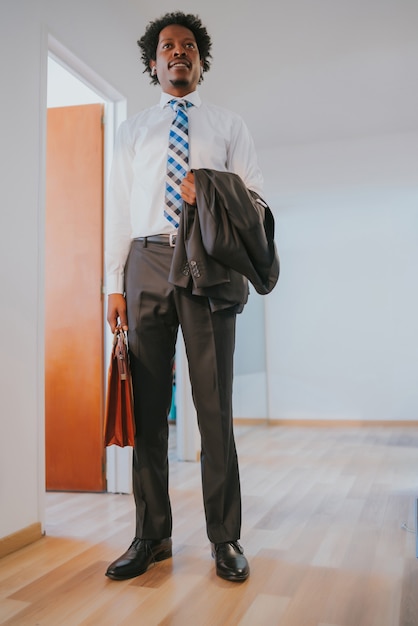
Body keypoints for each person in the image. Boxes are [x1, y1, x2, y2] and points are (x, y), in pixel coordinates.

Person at [105, 11, 267, 583]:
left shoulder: (228, 125)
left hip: (209, 262)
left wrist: (211, 185)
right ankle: (152, 535)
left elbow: (255, 199)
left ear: (200, 61)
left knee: (214, 407)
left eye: (189, 46)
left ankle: (226, 539)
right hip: (146, 261)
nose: (179, 52)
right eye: (168, 46)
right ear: (154, 64)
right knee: (148, 409)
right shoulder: (131, 131)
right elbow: (118, 211)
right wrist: (112, 284)